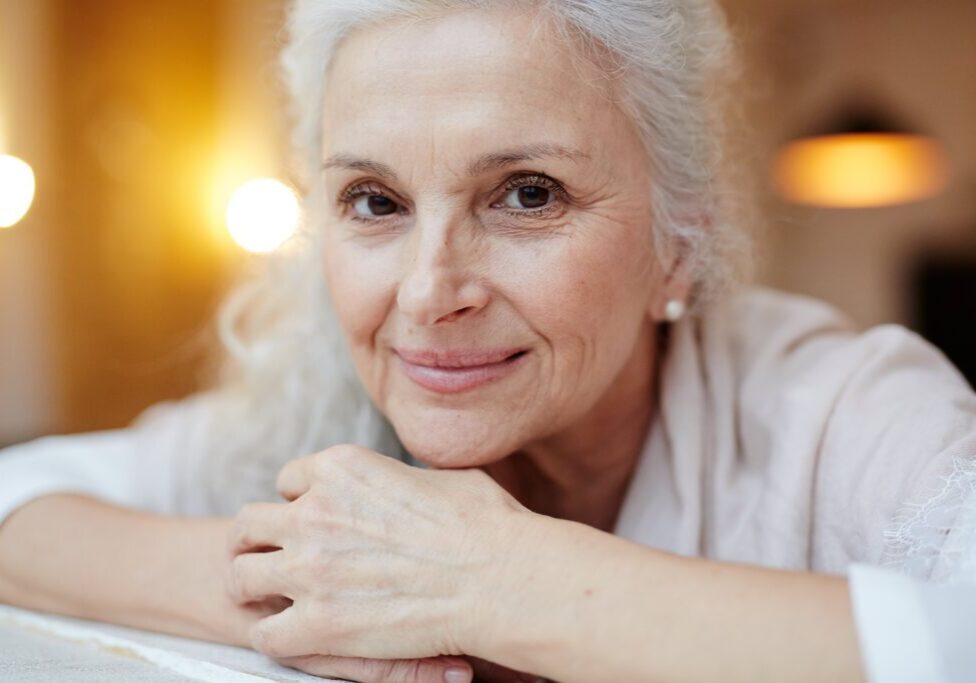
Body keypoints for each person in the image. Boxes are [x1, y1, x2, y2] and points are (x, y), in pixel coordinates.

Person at [1, 1, 974, 681]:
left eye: (526, 194)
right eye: (374, 201)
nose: (428, 292)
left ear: (683, 240)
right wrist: (310, 585)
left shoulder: (843, 408)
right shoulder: (307, 398)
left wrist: (495, 578)